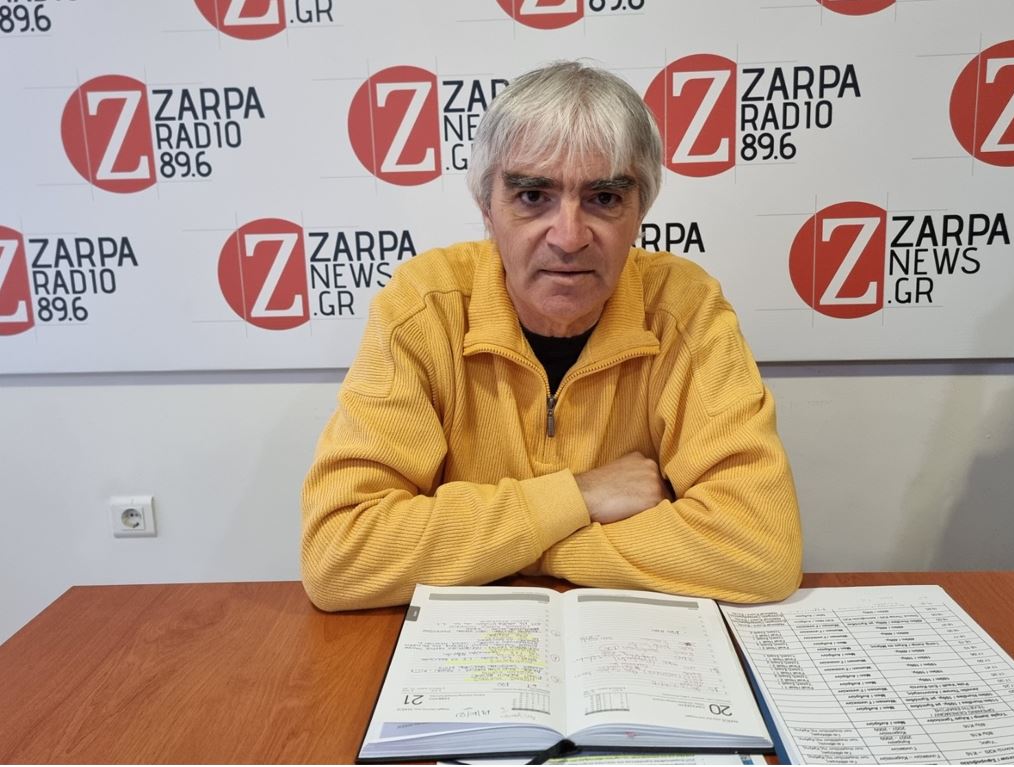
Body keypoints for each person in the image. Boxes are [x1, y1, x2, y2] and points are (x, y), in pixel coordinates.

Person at [301, 61, 802, 611]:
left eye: (603, 198)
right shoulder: (423, 307)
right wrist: (578, 496)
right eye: (533, 196)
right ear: (487, 208)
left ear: (641, 210)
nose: (568, 237)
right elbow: (339, 553)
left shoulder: (686, 309)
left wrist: (526, 548)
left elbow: (760, 548)